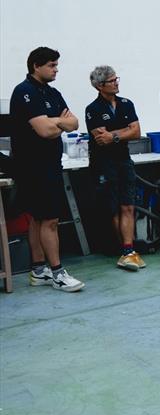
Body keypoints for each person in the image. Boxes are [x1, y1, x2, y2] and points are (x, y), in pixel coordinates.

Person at [10, 47, 84, 291]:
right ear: (36, 66)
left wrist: (55, 122)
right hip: (32, 167)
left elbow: (73, 122)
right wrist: (57, 122)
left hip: (51, 163)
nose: (56, 69)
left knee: (39, 219)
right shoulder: (24, 92)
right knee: (49, 220)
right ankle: (57, 273)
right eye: (52, 65)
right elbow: (44, 131)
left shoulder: (52, 93)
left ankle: (38, 270)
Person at [85, 66, 145, 271]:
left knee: (128, 205)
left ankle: (129, 250)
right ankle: (122, 249)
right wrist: (123, 131)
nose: (116, 82)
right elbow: (101, 139)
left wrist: (115, 135)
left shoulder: (126, 104)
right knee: (113, 209)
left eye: (116, 78)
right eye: (112, 81)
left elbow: (136, 131)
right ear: (100, 86)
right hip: (104, 164)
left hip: (123, 160)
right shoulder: (93, 109)